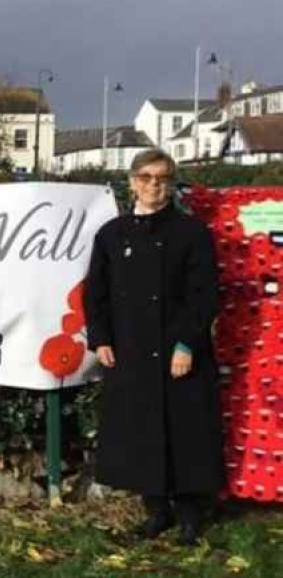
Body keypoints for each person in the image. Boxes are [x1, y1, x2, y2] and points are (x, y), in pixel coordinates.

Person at [83, 149, 222, 546]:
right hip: (131, 350)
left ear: (171, 183)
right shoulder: (112, 234)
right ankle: (156, 511)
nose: (153, 185)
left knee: (187, 434)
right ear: (132, 182)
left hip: (180, 351)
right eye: (145, 177)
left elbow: (205, 294)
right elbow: (97, 293)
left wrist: (187, 343)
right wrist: (101, 337)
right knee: (142, 433)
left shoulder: (191, 232)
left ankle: (191, 517)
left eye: (162, 178)